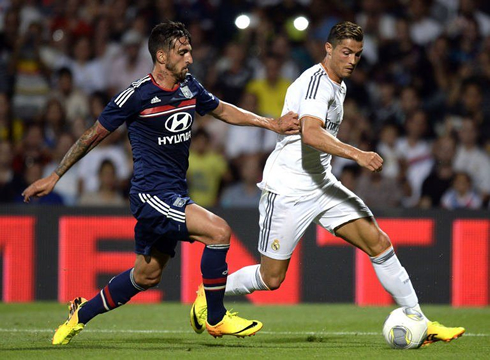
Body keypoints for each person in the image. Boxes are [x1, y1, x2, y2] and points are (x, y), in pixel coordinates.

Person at [22, 20, 299, 344]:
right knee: (219, 231)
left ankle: (80, 313)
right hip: (150, 194)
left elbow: (222, 110)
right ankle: (215, 317)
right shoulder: (136, 95)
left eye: (190, 51)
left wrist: (272, 123)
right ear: (162, 56)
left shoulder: (189, 87)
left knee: (146, 275)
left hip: (173, 193)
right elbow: (92, 136)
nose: (190, 58)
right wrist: (55, 175)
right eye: (183, 52)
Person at [190, 21, 465, 346]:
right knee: (271, 278)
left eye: (358, 55)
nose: (352, 60)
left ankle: (419, 318)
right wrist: (357, 154)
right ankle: (208, 295)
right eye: (346, 52)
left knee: (378, 242)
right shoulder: (315, 84)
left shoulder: (339, 84)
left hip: (322, 185)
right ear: (329, 48)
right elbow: (311, 132)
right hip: (288, 189)